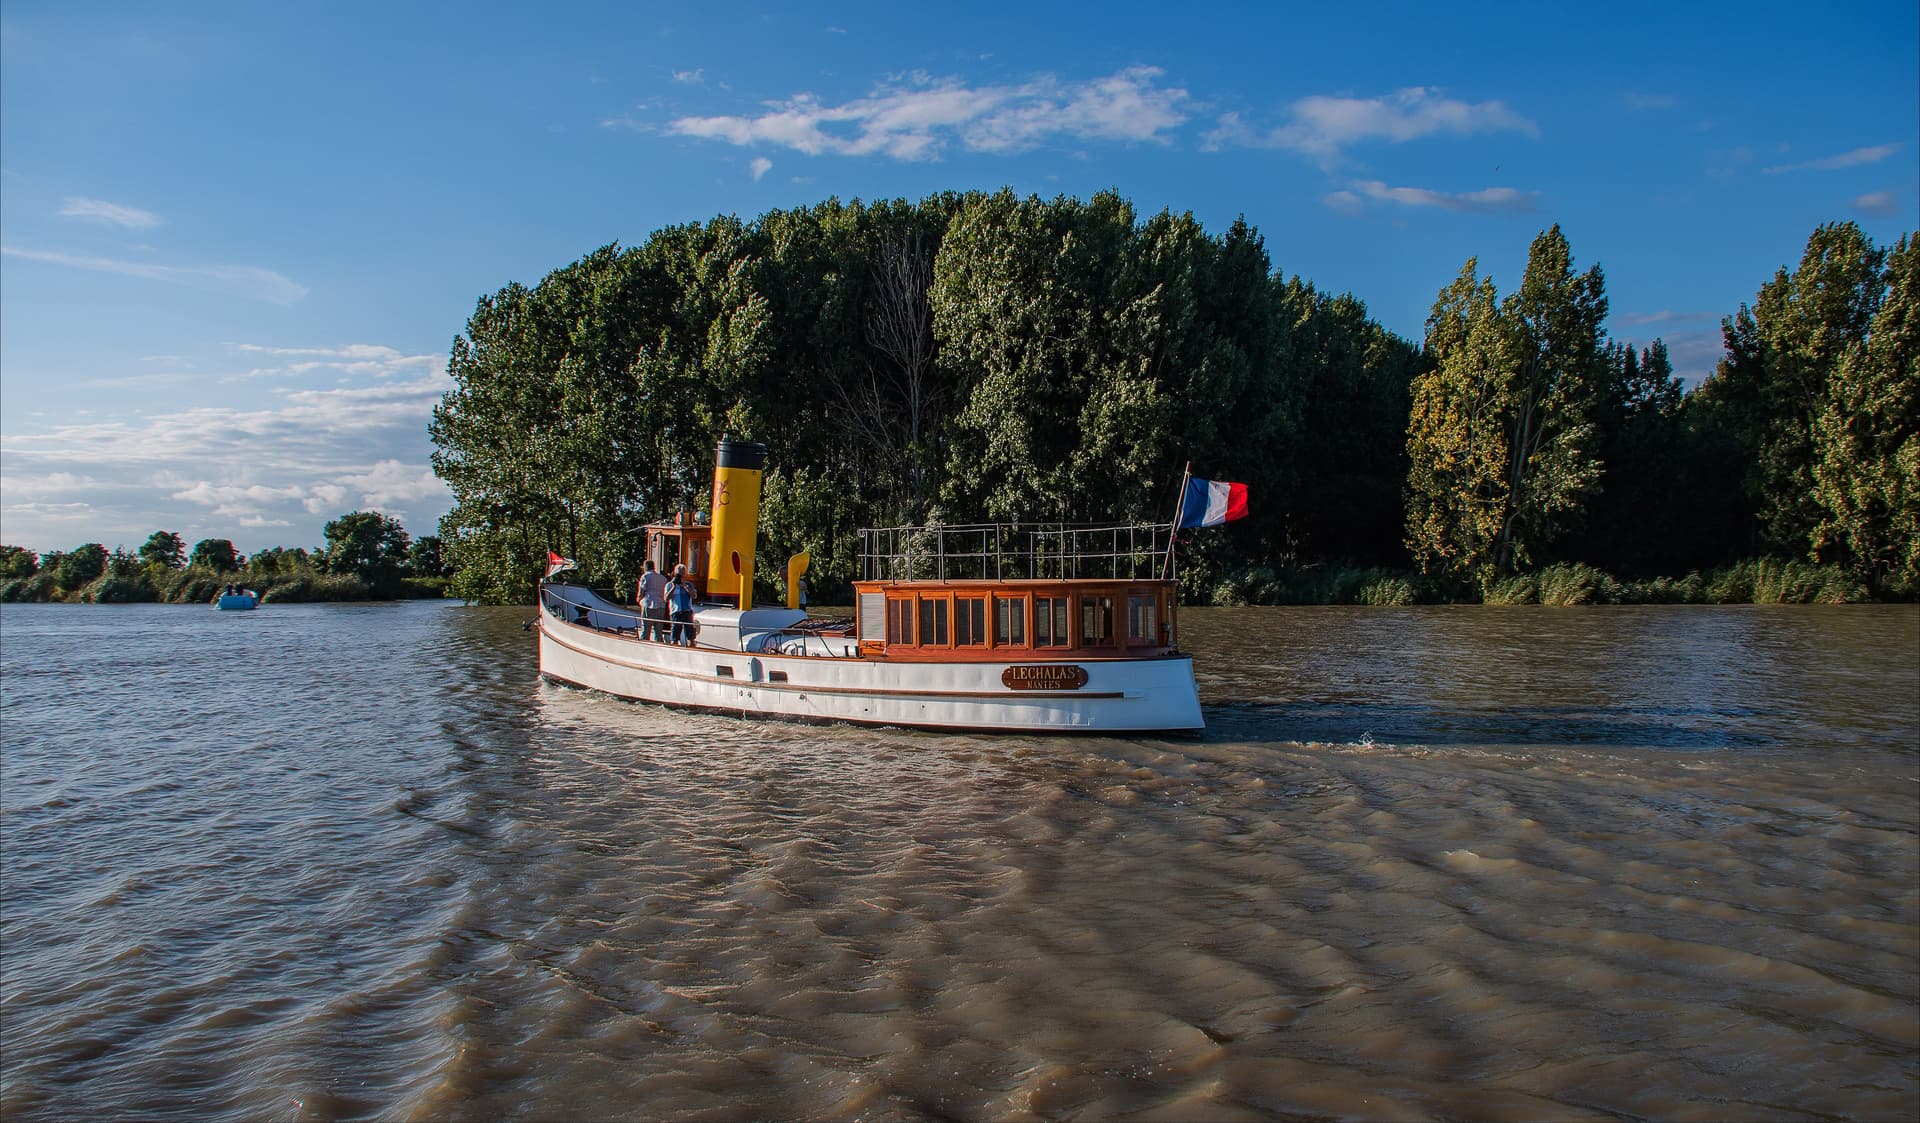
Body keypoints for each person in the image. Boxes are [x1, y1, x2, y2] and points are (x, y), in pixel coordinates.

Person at [637, 559, 669, 642]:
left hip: (649, 604)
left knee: (646, 628)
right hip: (661, 606)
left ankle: (644, 646)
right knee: (658, 630)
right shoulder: (663, 578)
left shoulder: (645, 576)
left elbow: (641, 591)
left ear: (645, 567)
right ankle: (658, 646)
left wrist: (639, 599)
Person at [667, 564, 697, 646]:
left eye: (683, 573)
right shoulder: (670, 585)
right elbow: (666, 598)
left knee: (691, 637)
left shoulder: (689, 585)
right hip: (676, 612)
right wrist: (673, 587)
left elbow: (694, 596)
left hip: (687, 612)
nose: (681, 576)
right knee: (674, 637)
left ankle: (692, 650)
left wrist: (686, 587)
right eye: (680, 574)